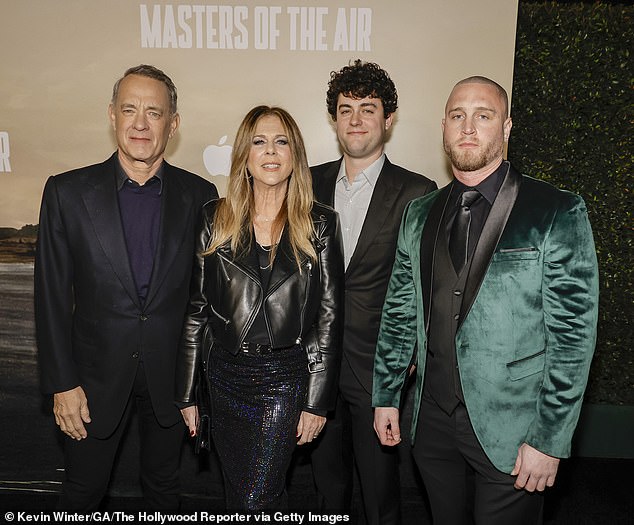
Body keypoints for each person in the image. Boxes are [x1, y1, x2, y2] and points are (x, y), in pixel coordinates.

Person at [373, 76, 599, 524]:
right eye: (458, 116)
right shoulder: (419, 213)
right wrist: (386, 393)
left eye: (484, 115)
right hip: (431, 421)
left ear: (507, 127)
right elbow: (400, 311)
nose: (468, 127)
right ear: (444, 127)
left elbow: (573, 337)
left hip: (514, 430)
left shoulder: (555, 209)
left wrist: (549, 440)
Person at [34, 64, 218, 510]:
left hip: (172, 382)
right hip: (91, 384)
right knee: (82, 493)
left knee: (165, 493)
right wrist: (62, 384)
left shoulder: (201, 196)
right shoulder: (66, 193)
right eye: (129, 109)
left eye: (153, 112)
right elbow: (51, 298)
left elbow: (205, 301)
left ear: (172, 125)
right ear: (112, 115)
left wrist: (197, 386)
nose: (140, 123)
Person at [175, 105, 344, 510]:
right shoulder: (214, 218)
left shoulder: (320, 223)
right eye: (259, 142)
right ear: (244, 157)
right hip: (225, 377)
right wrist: (186, 393)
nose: (271, 151)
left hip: (284, 379)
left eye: (281, 141)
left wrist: (317, 401)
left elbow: (329, 316)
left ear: (295, 155)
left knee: (257, 497)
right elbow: (197, 310)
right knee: (240, 494)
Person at [309, 59, 437, 524]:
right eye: (346, 109)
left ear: (388, 118)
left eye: (368, 108)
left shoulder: (417, 192)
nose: (356, 119)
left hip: (378, 370)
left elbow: (425, 286)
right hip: (314, 368)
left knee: (381, 494)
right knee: (326, 489)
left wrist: (410, 360)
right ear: (334, 118)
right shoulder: (307, 182)